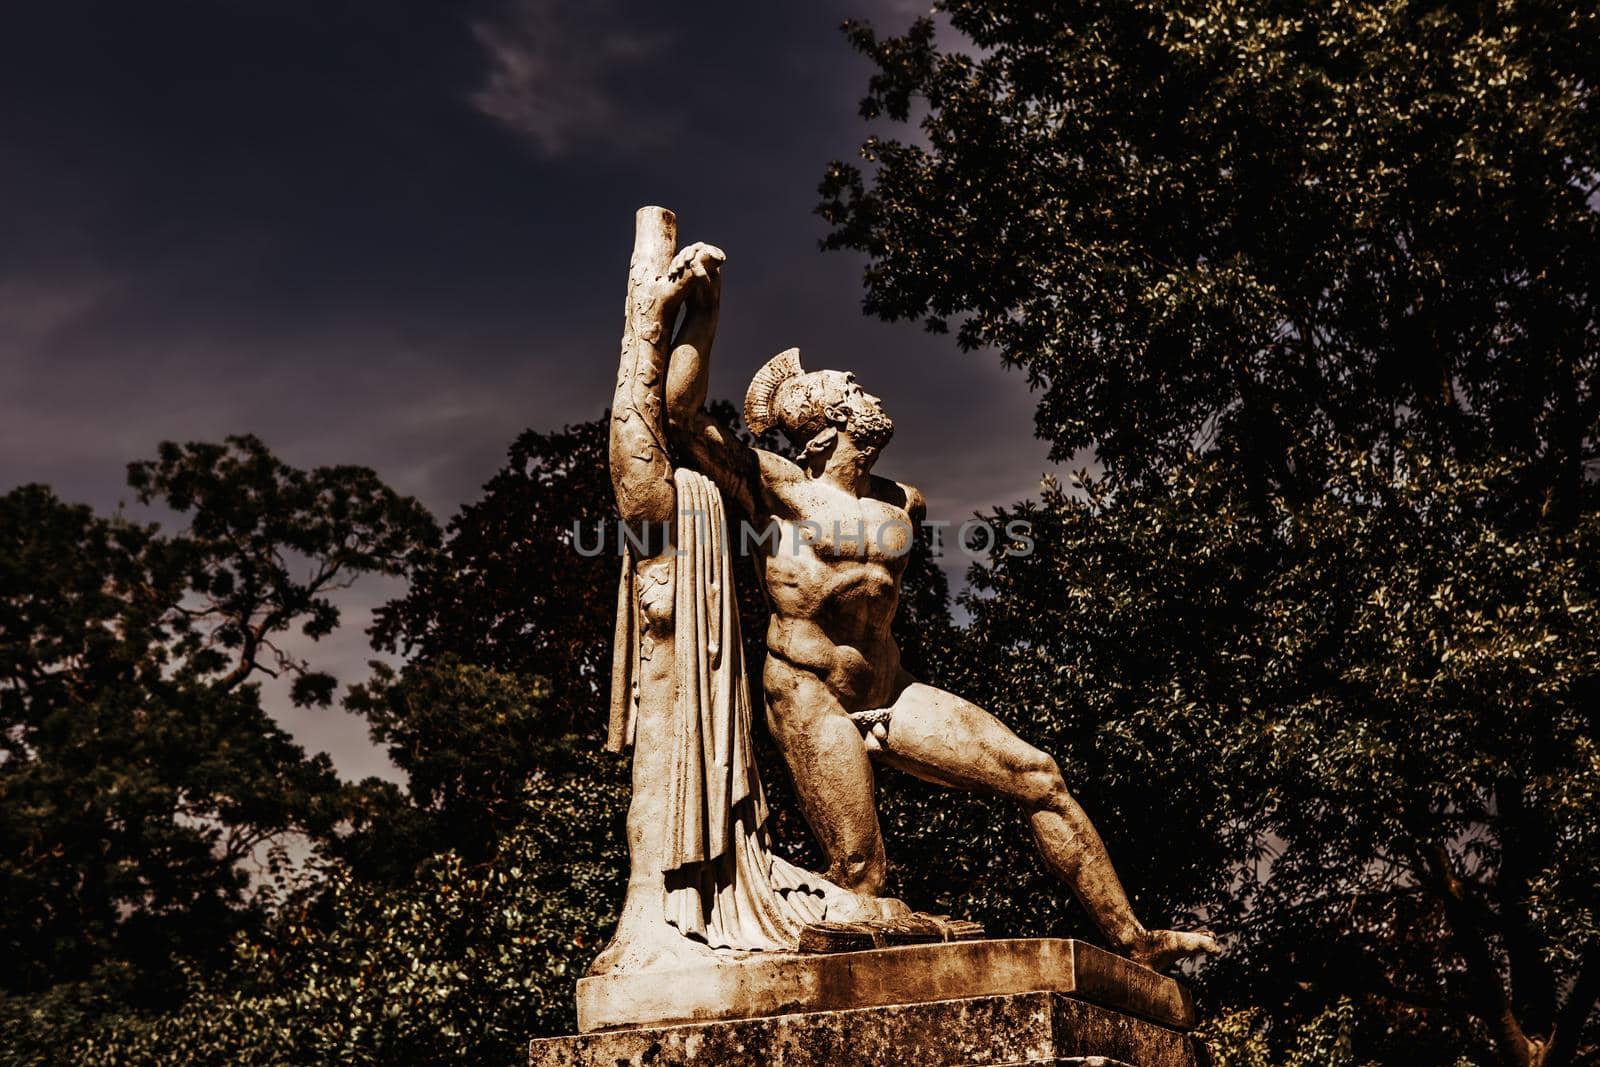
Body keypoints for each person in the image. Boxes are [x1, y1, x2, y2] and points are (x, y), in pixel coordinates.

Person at [659, 238, 1218, 970]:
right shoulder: (779, 488)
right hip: (809, 693)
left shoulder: (904, 502)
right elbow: (680, 412)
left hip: (890, 690)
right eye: (849, 388)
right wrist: (706, 306)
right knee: (863, 875)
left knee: (1037, 773)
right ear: (823, 426)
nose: (868, 391)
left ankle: (1133, 937)